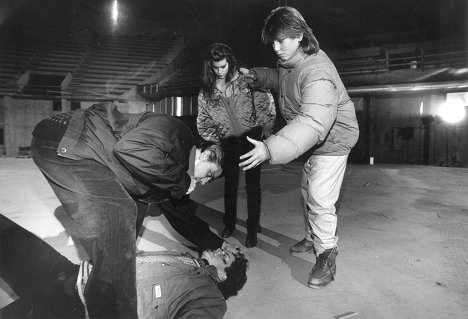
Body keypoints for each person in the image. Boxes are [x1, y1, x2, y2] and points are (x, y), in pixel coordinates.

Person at [29, 102, 232, 319]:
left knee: (122, 236)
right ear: (205, 153)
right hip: (68, 137)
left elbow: (178, 215)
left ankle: (92, 300)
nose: (206, 181)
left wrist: (216, 243)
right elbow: (130, 148)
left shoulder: (169, 172)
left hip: (74, 149)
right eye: (211, 173)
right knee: (119, 215)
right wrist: (181, 182)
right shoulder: (179, 133)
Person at [239, 6, 359, 288]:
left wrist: (270, 148)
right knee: (306, 190)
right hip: (312, 138)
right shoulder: (292, 59)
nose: (277, 48)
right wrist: (257, 77)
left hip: (333, 138)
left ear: (300, 35)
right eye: (273, 42)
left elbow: (313, 121)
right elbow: (284, 80)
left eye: (282, 40)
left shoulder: (318, 73)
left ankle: (326, 253)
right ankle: (313, 236)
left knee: (319, 197)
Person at [0, 214, 249, 319]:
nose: (219, 250)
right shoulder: (185, 259)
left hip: (81, 307)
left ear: (222, 275)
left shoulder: (210, 296)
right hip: (74, 274)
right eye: (223, 250)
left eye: (224, 258)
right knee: (6, 234)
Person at [197, 43, 276, 248]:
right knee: (230, 185)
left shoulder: (245, 80)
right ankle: (229, 224)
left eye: (223, 66)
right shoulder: (206, 92)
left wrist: (265, 128)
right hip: (228, 141)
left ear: (230, 62)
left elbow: (263, 99)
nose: (219, 71)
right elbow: (204, 120)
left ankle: (252, 229)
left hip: (251, 137)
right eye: (215, 67)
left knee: (253, 185)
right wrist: (218, 141)